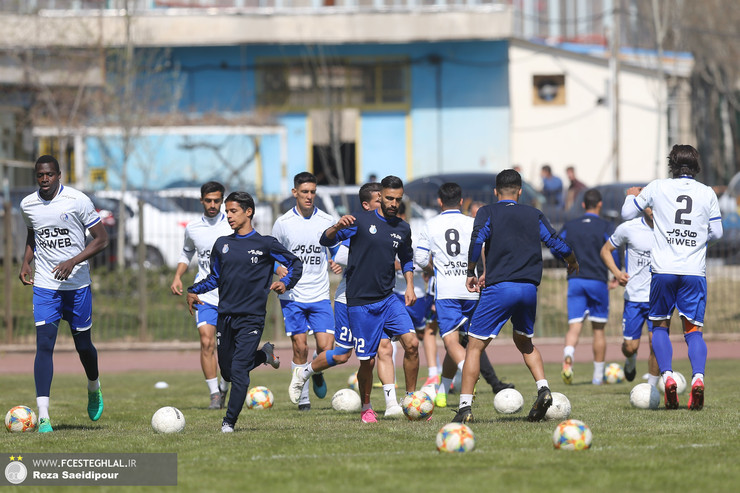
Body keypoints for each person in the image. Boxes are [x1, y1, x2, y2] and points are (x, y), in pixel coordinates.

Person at [452, 169, 578, 423]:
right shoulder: (534, 214)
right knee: (524, 342)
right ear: (520, 191)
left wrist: (471, 271)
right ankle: (543, 388)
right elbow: (555, 241)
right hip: (528, 290)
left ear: (496, 192)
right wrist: (572, 260)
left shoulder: (487, 211)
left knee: (474, 346)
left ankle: (465, 408)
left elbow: (477, 240)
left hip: (500, 289)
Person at [187, 191, 302, 432]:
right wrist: (194, 290)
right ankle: (264, 355)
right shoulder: (223, 244)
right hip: (225, 315)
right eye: (227, 211)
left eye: (233, 211)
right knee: (227, 373)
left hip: (251, 318)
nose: (228, 215)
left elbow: (295, 263)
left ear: (248, 212)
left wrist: (285, 282)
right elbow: (215, 277)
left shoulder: (266, 244)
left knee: (239, 372)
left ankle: (228, 423)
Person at [288, 182, 405, 417]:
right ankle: (306, 372)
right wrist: (353, 259)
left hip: (378, 299)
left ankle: (391, 405)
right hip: (349, 300)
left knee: (384, 348)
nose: (385, 204)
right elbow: (337, 249)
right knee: (343, 354)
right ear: (367, 204)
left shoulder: (388, 226)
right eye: (379, 200)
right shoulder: (357, 224)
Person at [622, 144, 723, 410]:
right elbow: (718, 233)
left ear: (672, 165)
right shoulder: (707, 192)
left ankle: (667, 377)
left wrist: (630, 196)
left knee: (659, 326)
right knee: (693, 331)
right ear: (696, 166)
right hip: (693, 272)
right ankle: (698, 378)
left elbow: (626, 214)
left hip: (664, 270)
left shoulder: (657, 187)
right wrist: (699, 244)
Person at [19, 155, 109, 433]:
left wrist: (73, 261)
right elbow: (35, 233)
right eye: (40, 176)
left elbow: (102, 239)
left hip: (77, 286)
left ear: (59, 175)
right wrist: (26, 261)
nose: (44, 180)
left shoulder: (77, 200)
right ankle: (44, 415)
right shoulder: (28, 205)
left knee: (84, 346)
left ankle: (93, 386)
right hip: (46, 286)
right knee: (44, 346)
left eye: (49, 175)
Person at [318, 175, 420, 423]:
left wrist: (409, 286)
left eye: (398, 199)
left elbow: (406, 258)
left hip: (388, 298)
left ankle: (411, 399)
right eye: (389, 198)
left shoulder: (403, 228)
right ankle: (366, 406)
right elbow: (325, 240)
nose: (394, 203)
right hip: (360, 303)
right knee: (368, 361)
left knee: (412, 344)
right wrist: (337, 227)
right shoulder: (360, 221)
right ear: (381, 197)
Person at [415, 183, 513, 410]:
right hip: (471, 289)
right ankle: (442, 391)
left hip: (447, 291)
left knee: (450, 342)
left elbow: (420, 260)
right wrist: (486, 272)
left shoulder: (431, 225)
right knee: (463, 341)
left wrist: (433, 268)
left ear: (440, 202)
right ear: (461, 202)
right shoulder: (473, 222)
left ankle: (468, 370)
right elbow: (487, 248)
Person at [272, 172, 337, 411]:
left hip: (319, 294)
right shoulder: (283, 223)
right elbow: (271, 253)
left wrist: (338, 261)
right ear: (295, 193)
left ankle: (316, 372)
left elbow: (336, 250)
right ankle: (304, 400)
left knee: (326, 348)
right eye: (305, 192)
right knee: (300, 346)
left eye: (312, 192)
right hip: (293, 295)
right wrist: (278, 267)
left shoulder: (327, 220)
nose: (309, 196)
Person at [170, 181, 235, 410]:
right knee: (207, 342)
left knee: (228, 349)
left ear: (223, 201)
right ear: (201, 201)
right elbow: (186, 253)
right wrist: (178, 276)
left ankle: (225, 387)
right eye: (208, 200)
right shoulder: (193, 228)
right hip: (204, 293)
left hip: (231, 295)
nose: (213, 205)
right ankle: (214, 394)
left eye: (217, 201)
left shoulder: (232, 224)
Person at [557, 188, 618, 386]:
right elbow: (613, 249)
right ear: (599, 204)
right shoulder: (605, 226)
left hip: (575, 280)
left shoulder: (571, 225)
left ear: (583, 205)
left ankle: (568, 355)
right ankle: (598, 377)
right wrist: (616, 273)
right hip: (597, 281)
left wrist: (565, 261)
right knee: (598, 329)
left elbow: (556, 245)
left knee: (574, 325)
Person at [600, 206, 660, 386]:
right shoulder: (629, 228)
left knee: (655, 344)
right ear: (643, 207)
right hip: (634, 298)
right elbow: (605, 250)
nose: (653, 210)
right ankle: (631, 360)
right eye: (649, 206)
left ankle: (651, 388)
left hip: (657, 298)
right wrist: (617, 274)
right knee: (630, 347)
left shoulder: (668, 228)